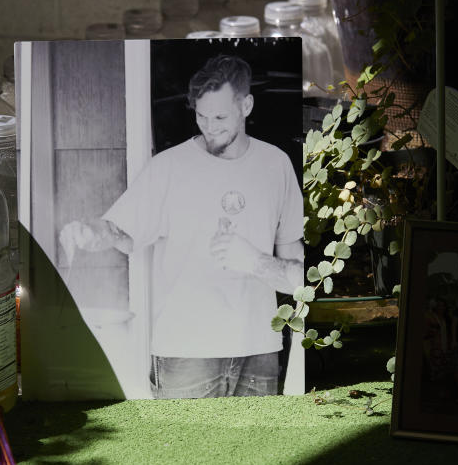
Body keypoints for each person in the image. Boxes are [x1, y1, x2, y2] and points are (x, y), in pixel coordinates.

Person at [60, 53, 303, 399]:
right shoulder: (168, 168)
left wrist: (255, 261)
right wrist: (90, 231)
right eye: (201, 116)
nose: (209, 126)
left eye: (220, 116)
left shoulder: (276, 165)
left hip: (259, 350)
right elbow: (122, 233)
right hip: (187, 353)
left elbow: (299, 275)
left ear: (246, 105)